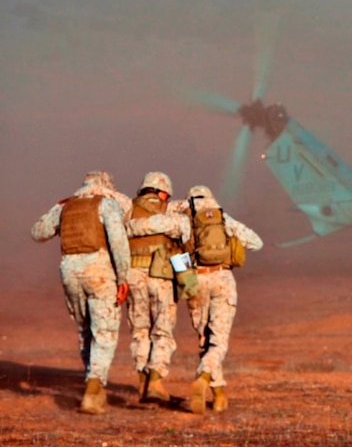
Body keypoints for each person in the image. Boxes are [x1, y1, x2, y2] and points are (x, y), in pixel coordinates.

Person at [30, 171, 131, 414]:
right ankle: (94, 386)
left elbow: (38, 232)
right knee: (104, 330)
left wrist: (58, 205)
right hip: (99, 271)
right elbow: (118, 242)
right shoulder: (107, 204)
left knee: (85, 328)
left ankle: (92, 383)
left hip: (70, 271)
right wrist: (122, 277)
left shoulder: (66, 207)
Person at [177, 185, 263, 414]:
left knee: (204, 340)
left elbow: (177, 254)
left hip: (196, 279)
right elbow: (256, 242)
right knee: (218, 341)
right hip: (223, 278)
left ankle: (219, 395)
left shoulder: (184, 221)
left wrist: (188, 278)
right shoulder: (223, 218)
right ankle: (203, 379)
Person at [123, 171, 191, 403]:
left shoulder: (127, 211)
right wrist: (188, 278)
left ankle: (142, 381)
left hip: (133, 275)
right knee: (162, 331)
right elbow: (184, 241)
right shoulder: (171, 212)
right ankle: (155, 380)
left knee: (139, 330)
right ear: (163, 193)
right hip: (162, 276)